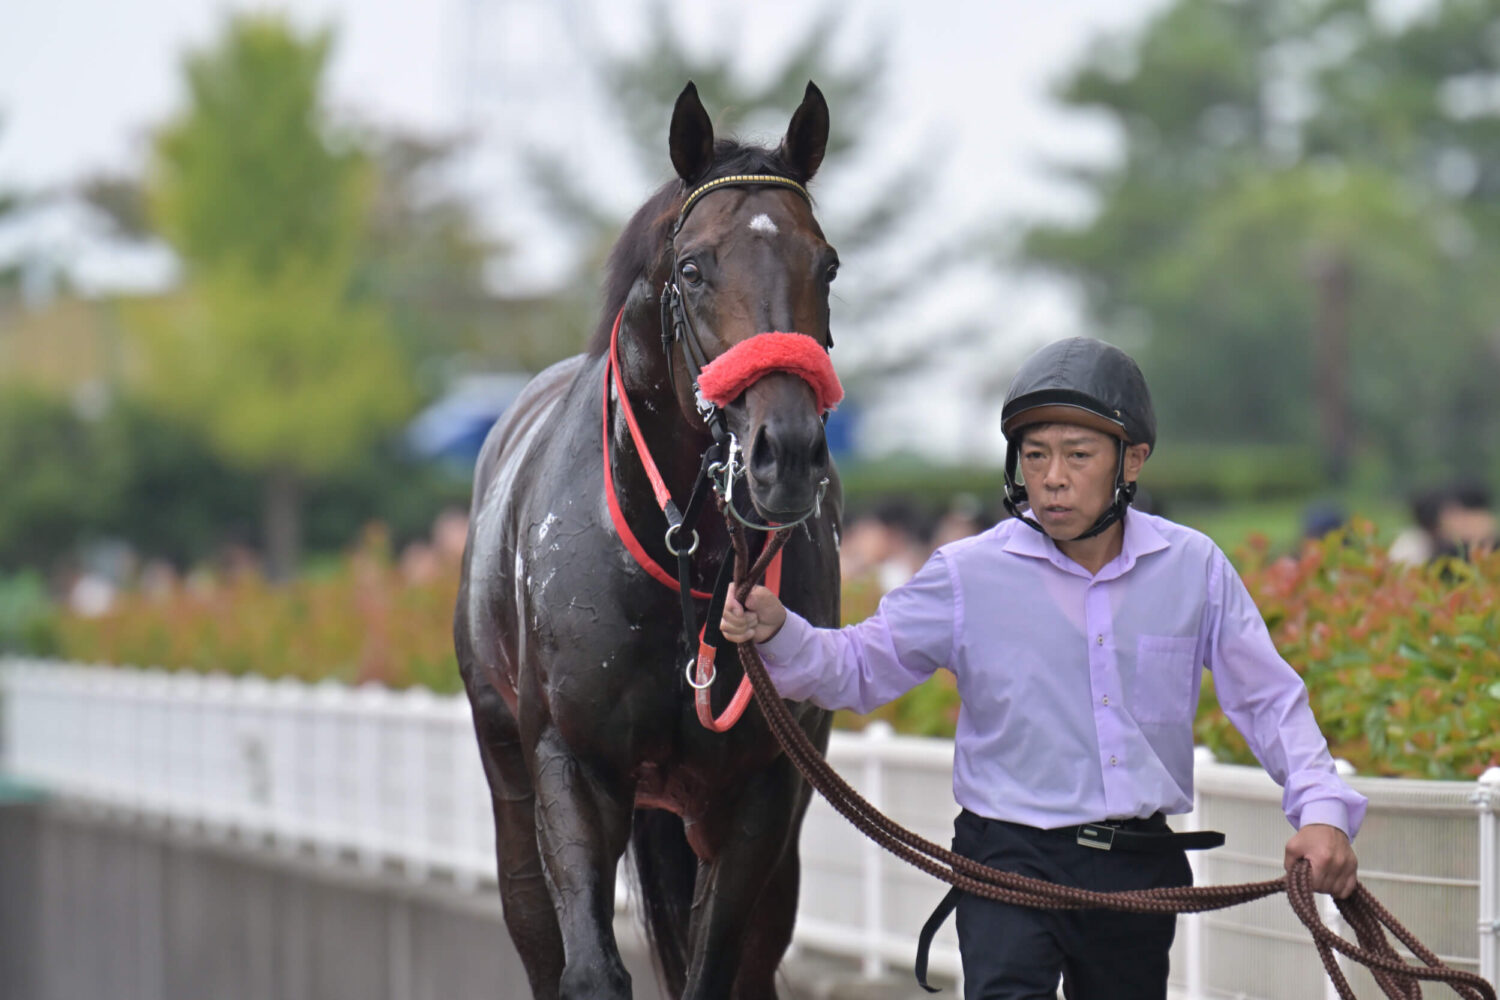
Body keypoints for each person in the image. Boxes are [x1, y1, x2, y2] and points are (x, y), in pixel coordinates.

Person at [723, 337, 1365, 1000]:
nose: (1052, 476)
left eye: (1077, 455)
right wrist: (781, 633)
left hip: (1138, 865)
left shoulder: (1194, 567)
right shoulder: (966, 573)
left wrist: (1320, 812)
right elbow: (857, 668)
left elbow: (1267, 700)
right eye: (1034, 455)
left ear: (1133, 461)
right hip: (1008, 858)